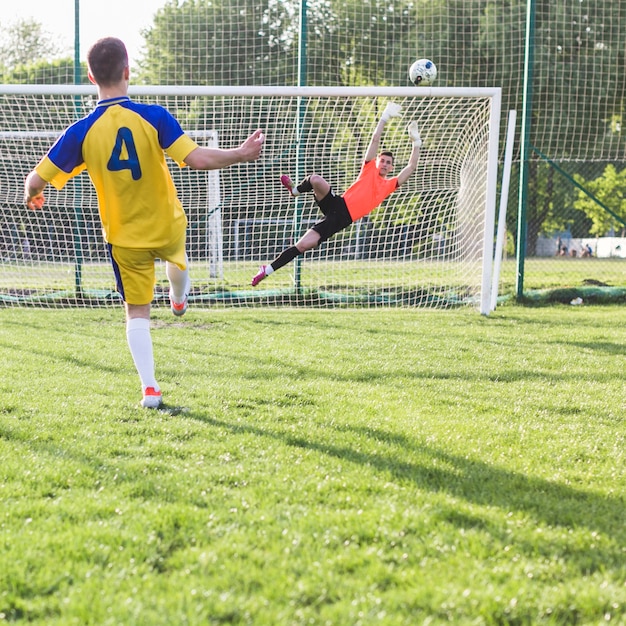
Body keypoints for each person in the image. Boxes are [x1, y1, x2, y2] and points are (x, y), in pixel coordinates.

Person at [24, 37, 264, 409]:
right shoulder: (154, 116)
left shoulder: (80, 132)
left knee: (137, 312)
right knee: (177, 259)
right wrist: (241, 153)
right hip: (167, 226)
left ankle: (150, 388)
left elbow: (35, 181)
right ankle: (180, 297)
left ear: (90, 77)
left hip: (123, 239)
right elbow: (198, 159)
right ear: (127, 71)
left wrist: (32, 195)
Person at [251, 102, 421, 287]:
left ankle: (266, 270)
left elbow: (411, 167)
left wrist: (416, 143)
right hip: (337, 203)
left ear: (392, 167)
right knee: (315, 179)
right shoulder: (368, 169)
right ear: (377, 162)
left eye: (389, 163)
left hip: (340, 220)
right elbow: (374, 139)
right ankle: (295, 191)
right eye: (383, 161)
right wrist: (384, 117)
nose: (385, 164)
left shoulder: (389, 184)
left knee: (302, 246)